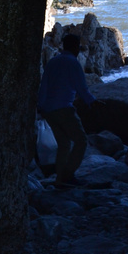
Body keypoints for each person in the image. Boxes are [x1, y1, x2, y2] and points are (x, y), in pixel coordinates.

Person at [38, 33, 95, 185]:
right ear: (75, 47)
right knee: (81, 141)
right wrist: (93, 102)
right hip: (64, 108)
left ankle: (59, 180)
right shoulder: (73, 63)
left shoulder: (53, 62)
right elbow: (82, 88)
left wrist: (41, 106)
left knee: (64, 144)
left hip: (49, 110)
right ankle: (66, 175)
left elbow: (43, 86)